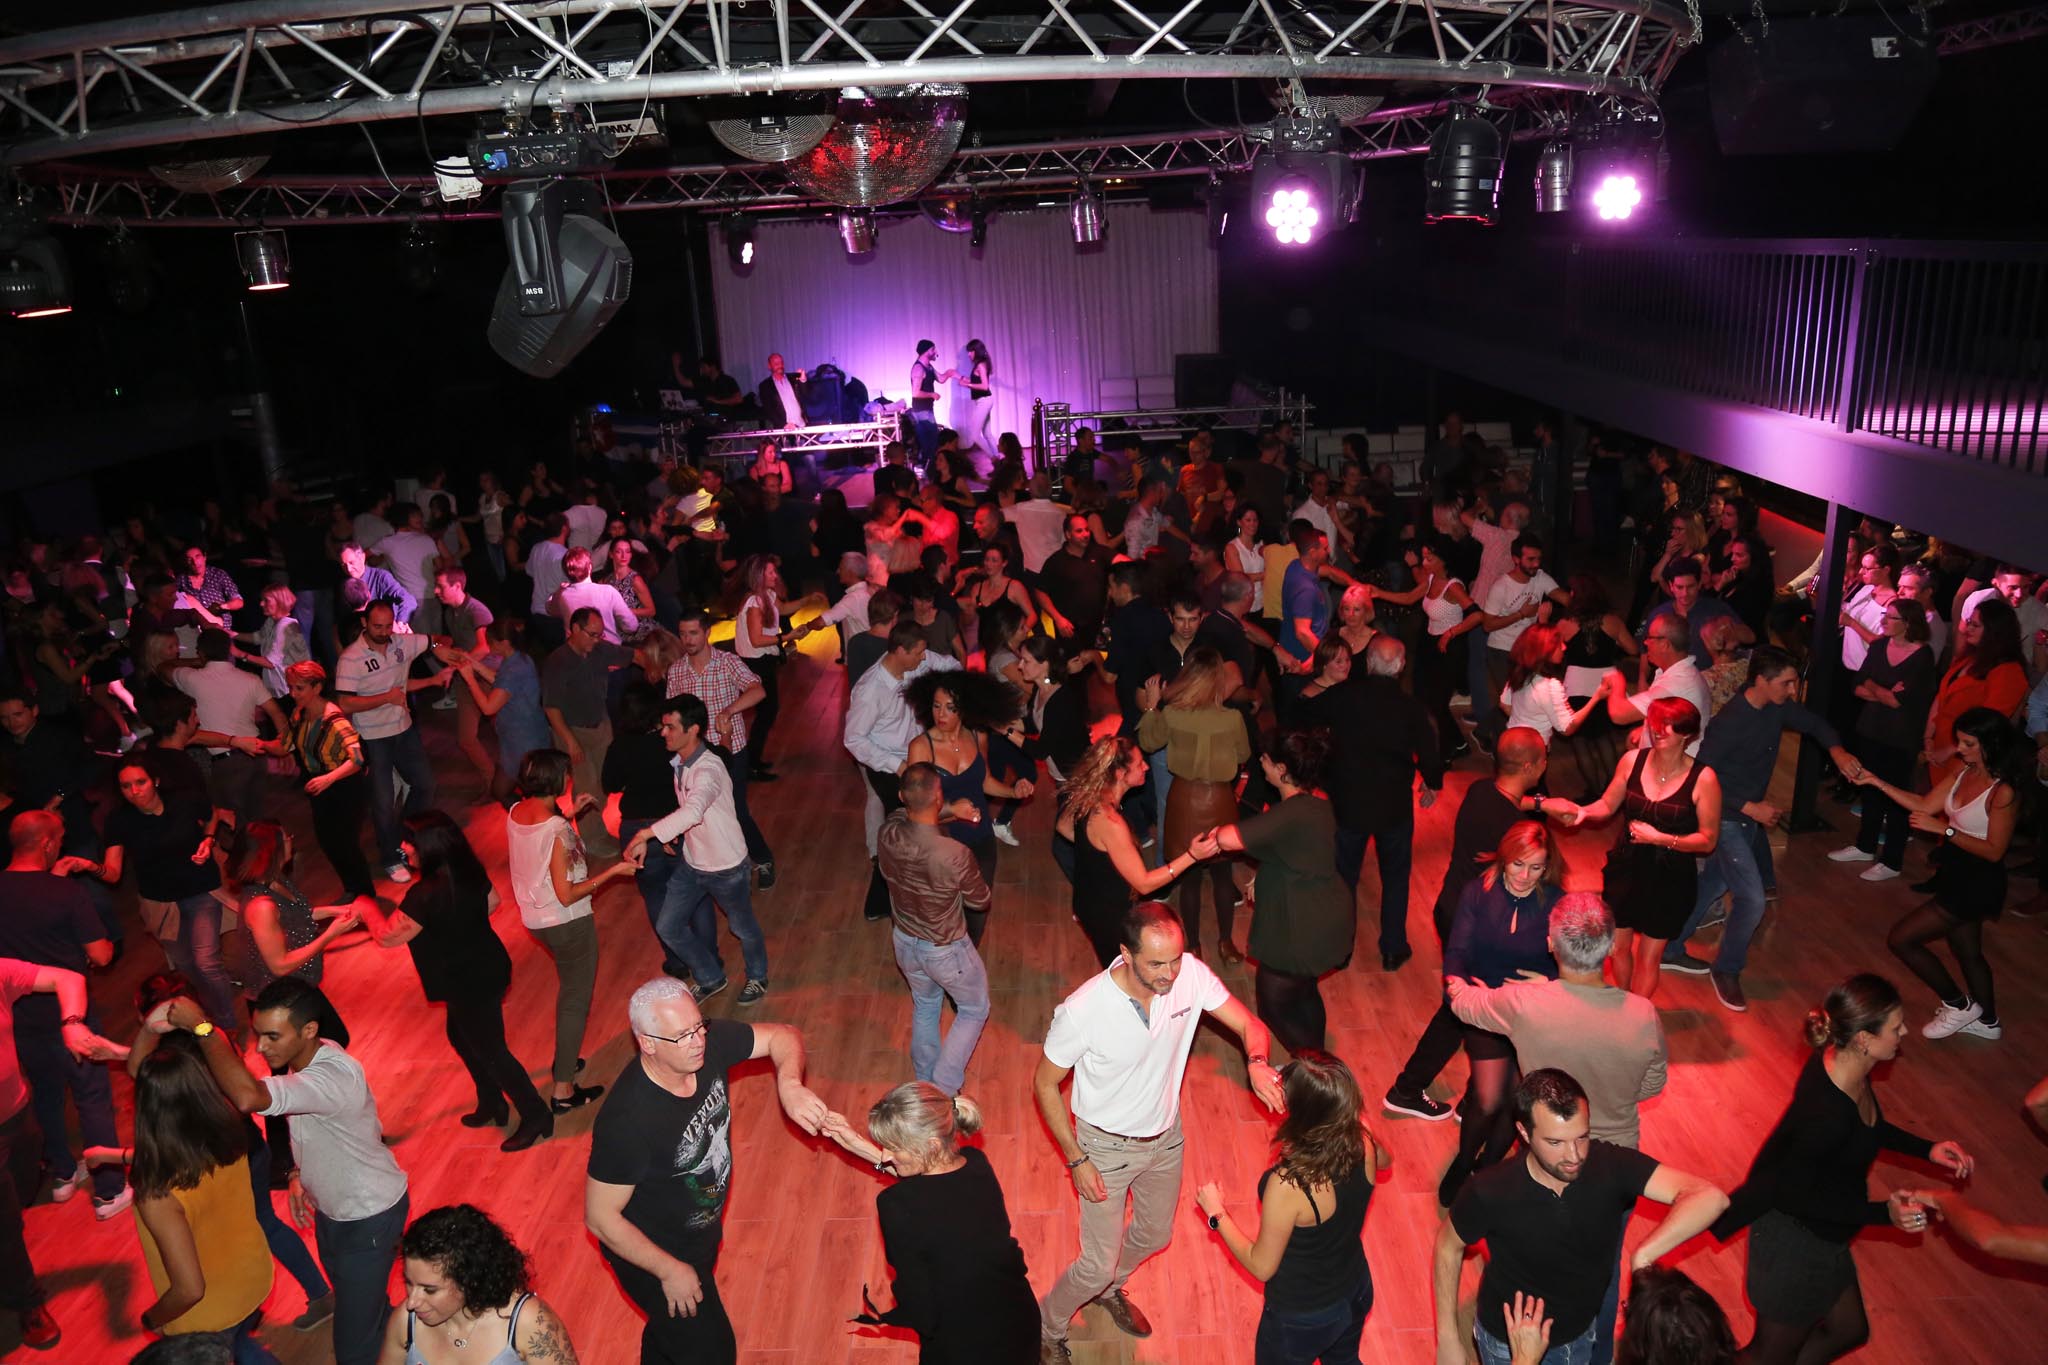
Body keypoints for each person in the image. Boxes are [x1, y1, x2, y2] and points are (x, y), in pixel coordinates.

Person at [1034, 901, 1285, 1360]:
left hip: (1166, 1137)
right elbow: (1044, 1085)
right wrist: (1076, 1159)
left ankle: (1110, 1289)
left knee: (1155, 1236)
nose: (1170, 974)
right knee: (1095, 1265)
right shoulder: (1083, 1011)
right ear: (1126, 955)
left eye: (1175, 960)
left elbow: (1249, 1025)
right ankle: (1047, 1327)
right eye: (1156, 964)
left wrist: (1256, 1062)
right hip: (1103, 1149)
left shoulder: (1190, 975)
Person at [584, 976, 861, 1364]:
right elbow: (600, 1218)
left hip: (696, 1241)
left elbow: (783, 1035)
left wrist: (790, 1084)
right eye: (683, 1036)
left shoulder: (703, 1044)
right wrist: (670, 1271)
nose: (698, 1041)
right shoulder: (628, 1121)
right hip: (653, 1256)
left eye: (699, 1026)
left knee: (671, 1338)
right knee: (712, 1352)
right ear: (647, 1043)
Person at [1448, 894, 1669, 1360]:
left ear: (1550, 944)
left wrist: (1455, 976)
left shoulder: (1524, 1004)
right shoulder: (1642, 1014)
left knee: (1525, 1253)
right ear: (1612, 948)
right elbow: (1652, 1084)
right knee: (1604, 1266)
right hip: (1617, 1168)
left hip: (1543, 1161)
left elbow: (1465, 1003)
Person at [1711, 974, 1974, 1364]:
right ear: (1864, 1039)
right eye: (1896, 1027)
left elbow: (1865, 1128)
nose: (1904, 1033)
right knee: (1767, 1357)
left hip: (1826, 1235)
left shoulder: (1844, 1067)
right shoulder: (1825, 1115)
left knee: (1848, 1330)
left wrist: (1928, 1149)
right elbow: (1795, 1197)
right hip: (1795, 1248)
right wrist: (1884, 1214)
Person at [169, 978, 410, 1365]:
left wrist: (203, 1028)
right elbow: (317, 1126)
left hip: (369, 1217)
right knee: (367, 1309)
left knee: (353, 1350)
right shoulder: (312, 1058)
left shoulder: (332, 1076)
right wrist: (298, 1173)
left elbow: (247, 1097)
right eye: (258, 1034)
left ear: (309, 1030)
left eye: (273, 1036)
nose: (261, 1047)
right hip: (337, 1213)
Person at [1434, 1069, 1729, 1365]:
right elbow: (1447, 1247)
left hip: (1582, 1333)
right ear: (1524, 1132)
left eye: (1582, 1137)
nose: (1574, 1156)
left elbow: (1709, 1197)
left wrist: (1644, 1254)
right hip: (1511, 1343)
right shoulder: (1489, 1190)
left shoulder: (1611, 1165)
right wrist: (1448, 1338)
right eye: (1555, 1142)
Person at [1658, 647, 1862, 1010]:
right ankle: (1727, 969)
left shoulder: (1776, 707)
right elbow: (1701, 776)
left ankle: (1670, 948)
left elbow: (1815, 724)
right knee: (1752, 900)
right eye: (1786, 683)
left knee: (1712, 884)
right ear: (1761, 681)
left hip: (1744, 818)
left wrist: (1837, 752)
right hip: (1724, 817)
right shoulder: (1731, 722)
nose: (1793, 690)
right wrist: (1749, 806)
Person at [1383, 729, 1560, 1124]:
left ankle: (1457, 1098)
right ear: (1531, 766)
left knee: (1470, 1004)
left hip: (1452, 906)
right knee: (1471, 1008)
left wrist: (1543, 804)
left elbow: (1510, 802)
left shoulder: (1481, 791)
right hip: (1481, 925)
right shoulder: (1513, 828)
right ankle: (1414, 1090)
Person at [1193, 1053, 1388, 1365]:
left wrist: (1217, 1213)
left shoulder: (1290, 1185)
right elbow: (1386, 1160)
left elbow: (1262, 1266)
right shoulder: (1362, 1135)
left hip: (1303, 1318)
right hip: (1356, 1289)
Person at [826, 1083, 1040, 1363]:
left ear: (931, 1146)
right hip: (1019, 1321)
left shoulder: (895, 1205)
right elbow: (933, 1188)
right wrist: (855, 1143)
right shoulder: (976, 1163)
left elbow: (920, 1305)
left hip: (965, 1346)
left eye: (894, 1148)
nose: (885, 1156)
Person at [386, 811, 554, 1151]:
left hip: (468, 981)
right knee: (461, 1037)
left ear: (429, 847)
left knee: (491, 1051)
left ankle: (536, 1114)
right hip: (483, 967)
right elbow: (493, 903)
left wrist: (365, 909)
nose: (404, 846)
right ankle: (492, 1102)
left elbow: (387, 936)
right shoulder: (469, 872)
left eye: (410, 841)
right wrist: (458, 923)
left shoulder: (424, 894)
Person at [1854, 707, 2024, 1041]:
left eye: (1968, 743)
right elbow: (1923, 805)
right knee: (1967, 950)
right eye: (1959, 741)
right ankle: (1988, 1022)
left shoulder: (2003, 791)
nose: (1959, 749)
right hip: (1956, 871)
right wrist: (1876, 782)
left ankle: (1958, 1005)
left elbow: (1994, 850)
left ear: (1991, 744)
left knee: (1902, 939)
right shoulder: (1964, 769)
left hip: (1978, 880)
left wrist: (1944, 830)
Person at [121, 1041, 282, 1364]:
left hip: (208, 1314)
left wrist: (152, 1318)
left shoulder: (159, 1193)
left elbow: (189, 1289)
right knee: (243, 1347)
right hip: (252, 1275)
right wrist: (117, 1156)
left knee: (235, 1348)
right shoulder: (229, 1138)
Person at [1435, 821, 1568, 1207]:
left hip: (1532, 1011)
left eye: (1536, 868)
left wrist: (1549, 981)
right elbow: (1456, 951)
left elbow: (1575, 963)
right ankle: (1464, 1163)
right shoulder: (1478, 892)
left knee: (1516, 1101)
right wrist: (1457, 984)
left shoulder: (1557, 902)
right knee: (1489, 1099)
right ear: (1504, 858)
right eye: (1518, 865)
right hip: (1486, 1006)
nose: (1525, 876)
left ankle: (1488, 1167)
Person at [1, 810, 126, 1218]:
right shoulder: (65, 893)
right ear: (47, 844)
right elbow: (101, 955)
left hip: (19, 1017)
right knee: (91, 1095)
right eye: (59, 838)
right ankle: (109, 1191)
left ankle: (62, 1174)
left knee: (46, 1095)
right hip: (70, 1012)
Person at [0, 955, 126, 1351]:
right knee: (6, 1225)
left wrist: (72, 1024)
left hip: (17, 1115)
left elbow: (67, 978)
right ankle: (28, 1303)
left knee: (22, 1191)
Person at [1558, 698, 1720, 999]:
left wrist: (1660, 838)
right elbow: (1607, 804)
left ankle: (1639, 1012)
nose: (1658, 730)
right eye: (1655, 722)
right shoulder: (1632, 761)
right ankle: (1622, 1006)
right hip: (1627, 867)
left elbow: (1708, 839)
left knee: (1649, 956)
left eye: (1668, 725)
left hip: (1671, 877)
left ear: (1687, 733)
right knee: (1618, 948)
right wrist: (1582, 812)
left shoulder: (1704, 778)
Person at [1299, 634, 1444, 971]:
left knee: (1344, 876)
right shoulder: (1410, 708)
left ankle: (1341, 948)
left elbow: (1303, 715)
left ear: (1367, 662)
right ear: (1401, 666)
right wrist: (1432, 782)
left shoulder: (1343, 696)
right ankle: (1393, 948)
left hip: (1349, 801)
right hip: (1394, 806)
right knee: (1395, 876)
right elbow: (1430, 749)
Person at [1206, 729, 1353, 1054]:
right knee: (1304, 989)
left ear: (1282, 770)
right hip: (1323, 910)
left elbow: (1228, 838)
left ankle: (1317, 1070)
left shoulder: (1290, 813)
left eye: (1266, 759)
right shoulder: (1315, 803)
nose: (1261, 762)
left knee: (1273, 1002)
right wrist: (1264, 872)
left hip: (1302, 923)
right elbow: (1293, 847)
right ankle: (1317, 1057)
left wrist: (1215, 831)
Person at [507, 748, 638, 1107]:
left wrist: (569, 814)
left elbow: (539, 842)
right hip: (567, 924)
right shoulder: (557, 831)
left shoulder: (516, 812)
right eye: (566, 772)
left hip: (535, 921)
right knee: (574, 1000)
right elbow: (566, 895)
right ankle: (563, 1090)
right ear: (557, 779)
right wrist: (613, 873)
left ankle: (566, 1059)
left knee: (570, 992)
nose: (570, 777)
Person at [625, 696, 772, 1006]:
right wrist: (673, 833)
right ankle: (709, 977)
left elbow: (694, 810)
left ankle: (758, 976)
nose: (663, 732)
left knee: (742, 927)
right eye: (663, 726)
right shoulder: (681, 762)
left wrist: (648, 833)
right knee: (668, 926)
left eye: (670, 727)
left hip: (726, 867)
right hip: (693, 862)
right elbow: (691, 813)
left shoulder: (708, 769)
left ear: (692, 730)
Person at [96, 761, 240, 1030]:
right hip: (159, 903)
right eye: (126, 786)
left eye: (140, 782)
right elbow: (113, 874)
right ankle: (205, 1016)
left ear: (156, 781)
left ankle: (227, 1025)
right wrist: (89, 867)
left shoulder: (184, 800)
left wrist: (208, 839)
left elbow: (211, 813)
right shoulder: (119, 820)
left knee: (206, 963)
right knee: (185, 966)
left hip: (201, 890)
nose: (134, 791)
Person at [877, 764, 993, 1094]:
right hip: (945, 949)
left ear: (902, 797)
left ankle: (925, 1081)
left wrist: (949, 811)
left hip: (904, 942)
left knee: (926, 1004)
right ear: (939, 796)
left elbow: (909, 815)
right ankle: (943, 1088)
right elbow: (980, 900)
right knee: (974, 1009)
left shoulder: (888, 832)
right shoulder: (954, 853)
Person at [1058, 737, 1222, 966]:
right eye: (1139, 764)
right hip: (1108, 912)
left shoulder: (1090, 794)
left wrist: (1098, 852)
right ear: (1120, 774)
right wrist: (1192, 856)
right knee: (1125, 971)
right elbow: (1144, 884)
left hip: (1088, 898)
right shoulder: (1110, 822)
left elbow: (1063, 826)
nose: (1146, 767)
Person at [1137, 648, 1250, 960]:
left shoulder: (1173, 714)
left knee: (1190, 877)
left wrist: (1151, 705)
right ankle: (1226, 943)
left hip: (1183, 799)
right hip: (1220, 800)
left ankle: (1194, 946)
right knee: (1223, 875)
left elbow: (1148, 742)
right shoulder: (1232, 718)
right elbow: (1243, 755)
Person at [845, 621, 963, 918]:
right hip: (887, 766)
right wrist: (897, 766)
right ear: (900, 651)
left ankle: (899, 895)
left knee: (912, 829)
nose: (924, 658)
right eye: (919, 653)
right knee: (904, 831)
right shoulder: (870, 690)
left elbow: (949, 664)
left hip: (916, 757)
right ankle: (884, 899)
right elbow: (854, 739)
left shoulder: (916, 665)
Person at [334, 600, 446, 882]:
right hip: (373, 738)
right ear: (364, 623)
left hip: (404, 730)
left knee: (426, 785)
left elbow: (437, 639)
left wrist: (438, 647)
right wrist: (387, 697)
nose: (384, 632)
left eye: (388, 626)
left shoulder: (401, 643)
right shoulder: (351, 658)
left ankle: (401, 839)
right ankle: (390, 857)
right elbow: (345, 703)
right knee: (383, 802)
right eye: (377, 627)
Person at [902, 671, 1030, 915]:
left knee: (978, 909)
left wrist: (1013, 792)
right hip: (942, 843)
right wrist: (952, 809)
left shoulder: (976, 735)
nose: (941, 714)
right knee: (947, 914)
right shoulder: (921, 747)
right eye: (936, 706)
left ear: (965, 709)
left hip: (981, 836)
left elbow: (985, 781)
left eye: (950, 708)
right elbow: (916, 812)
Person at [384, 1203, 577, 1363]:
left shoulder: (529, 1322)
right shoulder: (405, 1321)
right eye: (409, 1282)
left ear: (468, 1280)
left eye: (429, 1290)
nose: (412, 1302)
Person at [1830, 596, 1938, 880]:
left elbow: (1899, 701)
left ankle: (1892, 861)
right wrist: (1884, 690)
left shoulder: (1922, 656)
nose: (1883, 621)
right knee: (1869, 790)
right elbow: (1858, 685)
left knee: (1897, 798)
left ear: (1908, 624)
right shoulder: (1879, 646)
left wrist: (1875, 687)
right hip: (1870, 729)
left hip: (1900, 738)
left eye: (1890, 617)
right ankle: (1865, 846)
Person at [664, 610, 776, 878]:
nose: (688, 640)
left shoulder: (727, 662)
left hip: (731, 750)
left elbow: (758, 690)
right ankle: (712, 866)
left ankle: (762, 859)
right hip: (694, 757)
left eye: (693, 633)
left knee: (736, 810)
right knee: (698, 813)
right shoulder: (677, 670)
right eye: (683, 634)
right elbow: (671, 714)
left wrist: (728, 710)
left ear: (707, 632)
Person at [541, 606, 631, 858]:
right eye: (592, 634)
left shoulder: (600, 650)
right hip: (572, 730)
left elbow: (634, 656)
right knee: (586, 784)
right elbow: (551, 708)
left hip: (600, 725)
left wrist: (655, 665)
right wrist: (570, 742)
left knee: (605, 780)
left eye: (600, 634)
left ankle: (596, 829)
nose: (597, 640)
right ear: (575, 629)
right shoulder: (558, 662)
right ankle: (592, 838)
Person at [1924, 597, 2027, 788]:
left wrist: (1953, 749)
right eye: (1969, 622)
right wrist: (1928, 737)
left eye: (1975, 625)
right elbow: (1941, 697)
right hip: (1940, 745)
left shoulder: (2008, 670)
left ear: (1995, 631)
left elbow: (1991, 724)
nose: (1967, 629)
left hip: (1967, 756)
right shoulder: (1969, 657)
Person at [451, 620, 551, 802]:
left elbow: (488, 708)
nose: (488, 645)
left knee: (509, 791)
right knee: (531, 793)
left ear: (504, 643)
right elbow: (499, 680)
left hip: (524, 742)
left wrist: (469, 679)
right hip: (523, 738)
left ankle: (533, 816)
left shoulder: (513, 669)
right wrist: (472, 663)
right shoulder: (519, 659)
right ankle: (531, 816)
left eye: (491, 642)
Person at [1600, 616, 1710, 754]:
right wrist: (1644, 730)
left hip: (1674, 764)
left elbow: (1619, 714)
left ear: (1664, 644)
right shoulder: (1678, 673)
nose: (1645, 642)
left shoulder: (1679, 682)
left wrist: (1617, 681)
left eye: (1649, 638)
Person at [727, 555, 789, 775]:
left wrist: (808, 601)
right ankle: (751, 763)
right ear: (758, 576)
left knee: (766, 711)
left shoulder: (765, 596)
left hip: (761, 660)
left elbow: (784, 608)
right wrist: (786, 637)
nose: (775, 575)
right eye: (770, 572)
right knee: (767, 711)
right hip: (756, 662)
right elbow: (757, 639)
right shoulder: (754, 602)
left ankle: (751, 761)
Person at [1499, 624, 1607, 750]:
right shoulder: (1550, 687)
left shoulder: (1520, 673)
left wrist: (1525, 722)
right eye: (1559, 644)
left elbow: (1504, 704)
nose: (1564, 647)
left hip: (1511, 742)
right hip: (1532, 750)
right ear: (1546, 650)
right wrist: (1597, 696)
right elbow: (1567, 728)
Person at [1033, 513, 1113, 643]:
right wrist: (1058, 618)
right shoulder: (1056, 561)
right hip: (1069, 629)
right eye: (1079, 531)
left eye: (1087, 530)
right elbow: (1040, 591)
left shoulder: (1099, 552)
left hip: (1097, 627)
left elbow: (1120, 561)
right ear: (1068, 534)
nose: (1085, 534)